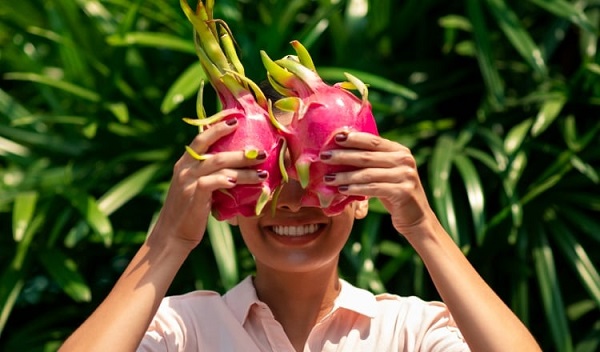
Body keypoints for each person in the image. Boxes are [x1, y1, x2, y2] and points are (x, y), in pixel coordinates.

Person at [59, 109, 541, 351]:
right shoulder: (179, 332)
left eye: (316, 176)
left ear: (362, 200)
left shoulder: (410, 333)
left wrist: (422, 225)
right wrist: (168, 241)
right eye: (266, 179)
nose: (290, 202)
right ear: (226, 200)